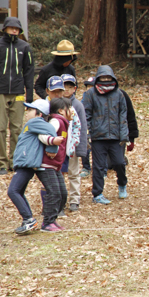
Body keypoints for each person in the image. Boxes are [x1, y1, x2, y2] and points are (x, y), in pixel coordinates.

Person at [7, 99, 62, 235]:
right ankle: (28, 219)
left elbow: (51, 131)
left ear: (39, 114)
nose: (27, 112)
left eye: (30, 110)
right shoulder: (32, 123)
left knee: (13, 191)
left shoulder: (35, 122)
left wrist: (52, 149)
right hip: (24, 163)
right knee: (17, 191)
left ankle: (28, 219)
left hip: (26, 163)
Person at [0, 17, 35, 175]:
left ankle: (15, 161)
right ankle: (2, 163)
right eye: (11, 27)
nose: (14, 30)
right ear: (5, 29)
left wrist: (29, 93)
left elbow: (29, 71)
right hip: (0, 92)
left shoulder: (25, 47)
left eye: (17, 28)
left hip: (18, 92)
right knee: (0, 128)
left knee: (16, 129)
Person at [82, 65, 129, 205]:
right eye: (103, 78)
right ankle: (97, 194)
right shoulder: (90, 94)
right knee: (98, 166)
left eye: (108, 78)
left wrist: (124, 135)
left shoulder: (119, 94)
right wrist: (87, 135)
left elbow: (123, 115)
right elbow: (86, 115)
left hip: (116, 137)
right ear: (98, 78)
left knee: (119, 163)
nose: (106, 80)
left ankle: (122, 184)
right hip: (98, 137)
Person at [40, 97, 73, 232]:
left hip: (55, 165)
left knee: (62, 193)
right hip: (47, 164)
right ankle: (47, 223)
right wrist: (51, 143)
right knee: (54, 193)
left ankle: (53, 219)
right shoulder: (56, 121)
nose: (72, 110)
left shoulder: (64, 122)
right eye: (69, 108)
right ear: (61, 110)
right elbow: (43, 134)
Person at [61, 74, 88, 212]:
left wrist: (81, 149)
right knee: (58, 174)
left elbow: (82, 128)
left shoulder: (78, 105)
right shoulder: (54, 103)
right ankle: (59, 199)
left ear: (74, 89)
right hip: (58, 146)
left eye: (69, 87)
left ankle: (74, 199)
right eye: (64, 86)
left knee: (73, 172)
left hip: (72, 146)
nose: (66, 90)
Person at [80, 77, 95, 177]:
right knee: (85, 146)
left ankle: (101, 168)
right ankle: (86, 167)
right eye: (88, 86)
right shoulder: (85, 97)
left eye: (91, 86)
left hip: (97, 126)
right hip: (85, 125)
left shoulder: (99, 97)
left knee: (98, 148)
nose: (89, 89)